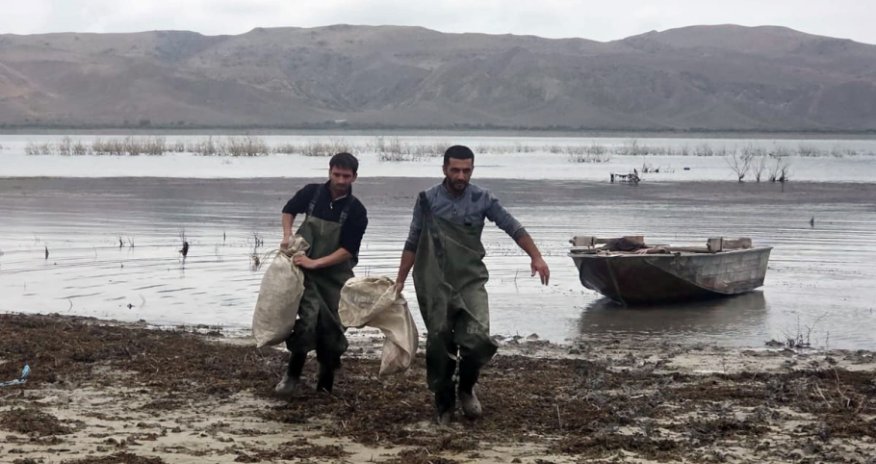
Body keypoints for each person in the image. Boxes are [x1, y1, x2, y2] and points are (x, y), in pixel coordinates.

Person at [394, 145, 550, 425]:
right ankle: (443, 401)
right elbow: (413, 240)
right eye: (455, 169)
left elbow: (512, 226)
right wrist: (400, 280)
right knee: (439, 340)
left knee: (478, 339)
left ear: (472, 170)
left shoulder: (483, 199)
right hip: (435, 282)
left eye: (466, 170)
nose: (461, 176)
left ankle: (466, 387)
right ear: (444, 169)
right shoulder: (427, 200)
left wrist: (536, 256)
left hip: (470, 280)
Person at [274, 152, 368, 395]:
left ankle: (325, 383)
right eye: (336, 174)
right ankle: (292, 376)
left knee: (332, 329)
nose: (340, 180)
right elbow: (288, 210)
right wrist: (287, 235)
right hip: (304, 274)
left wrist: (316, 262)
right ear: (329, 172)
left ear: (354, 177)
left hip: (336, 278)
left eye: (346, 176)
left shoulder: (357, 211)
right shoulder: (312, 193)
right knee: (306, 322)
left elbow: (347, 250)